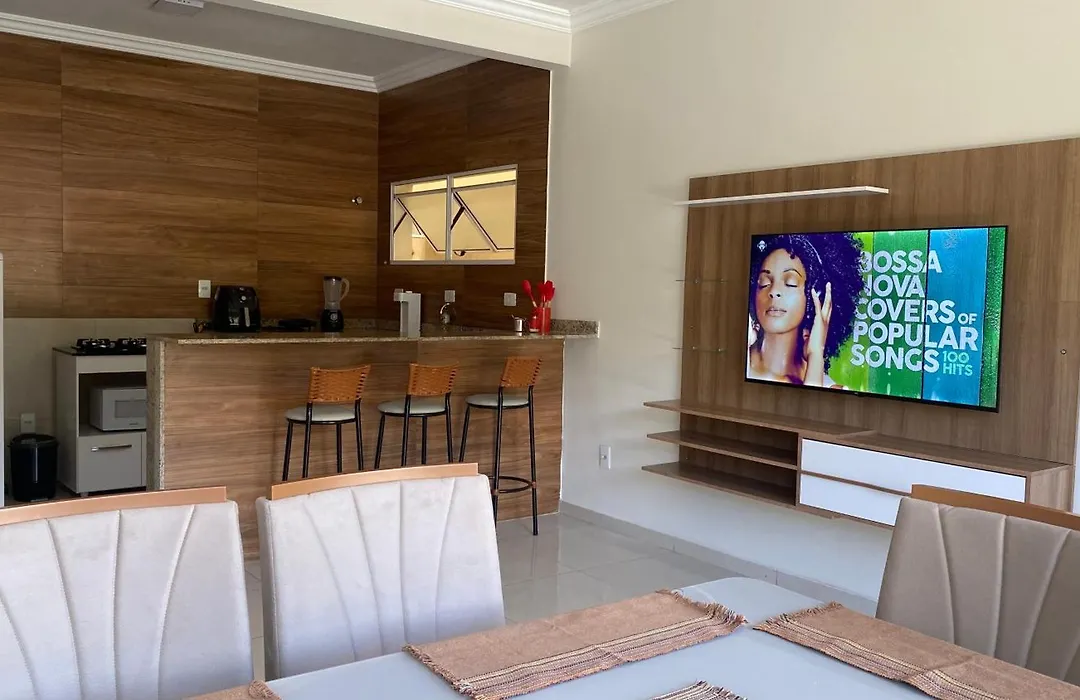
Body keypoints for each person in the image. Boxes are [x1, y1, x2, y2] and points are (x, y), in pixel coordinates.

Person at [747, 233, 864, 388]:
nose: (774, 291)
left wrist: (816, 354)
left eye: (790, 283)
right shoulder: (735, 362)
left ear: (816, 297)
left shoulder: (829, 388)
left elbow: (811, 402)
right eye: (764, 283)